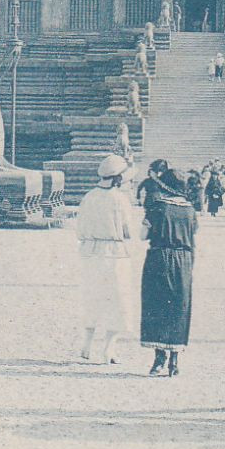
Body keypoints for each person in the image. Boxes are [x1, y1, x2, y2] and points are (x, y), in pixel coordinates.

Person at [76, 154, 138, 365]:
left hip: (90, 251)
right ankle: (109, 348)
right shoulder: (119, 199)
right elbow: (128, 230)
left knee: (92, 297)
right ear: (118, 179)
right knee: (117, 299)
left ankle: (86, 344)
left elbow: (80, 228)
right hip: (115, 252)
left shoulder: (89, 197)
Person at [141, 167, 197, 376]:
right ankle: (175, 361)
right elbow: (193, 238)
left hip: (159, 258)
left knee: (156, 305)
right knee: (178, 307)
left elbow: (142, 234)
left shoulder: (157, 208)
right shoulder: (190, 210)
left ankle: (158, 358)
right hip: (183, 260)